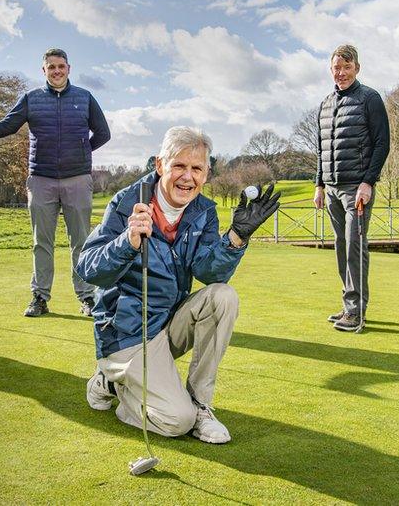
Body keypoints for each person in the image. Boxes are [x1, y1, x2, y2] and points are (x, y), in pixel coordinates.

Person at [77, 126, 279, 444]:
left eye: (197, 168)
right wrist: (126, 242)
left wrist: (236, 238)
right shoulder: (127, 202)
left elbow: (209, 273)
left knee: (223, 297)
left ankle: (200, 406)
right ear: (160, 166)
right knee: (175, 421)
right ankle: (113, 383)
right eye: (179, 166)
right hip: (126, 335)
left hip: (167, 326)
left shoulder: (203, 211)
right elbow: (88, 269)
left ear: (206, 173)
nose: (188, 177)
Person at [0, 48, 110, 318]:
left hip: (77, 180)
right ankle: (40, 297)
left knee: (81, 242)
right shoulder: (31, 99)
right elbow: (6, 126)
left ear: (69, 68)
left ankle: (87, 297)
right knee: (42, 242)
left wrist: (82, 152)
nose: (56, 71)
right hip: (41, 179)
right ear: (44, 71)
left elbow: (103, 133)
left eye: (61, 66)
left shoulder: (85, 98)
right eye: (51, 67)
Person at [313, 44, 390, 333]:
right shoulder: (325, 103)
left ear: (357, 68)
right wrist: (319, 184)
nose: (341, 73)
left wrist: (368, 182)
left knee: (355, 246)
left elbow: (382, 144)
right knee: (341, 246)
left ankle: (357, 311)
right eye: (336, 68)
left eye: (346, 67)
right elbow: (320, 148)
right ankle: (348, 305)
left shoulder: (369, 98)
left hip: (356, 188)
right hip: (331, 187)